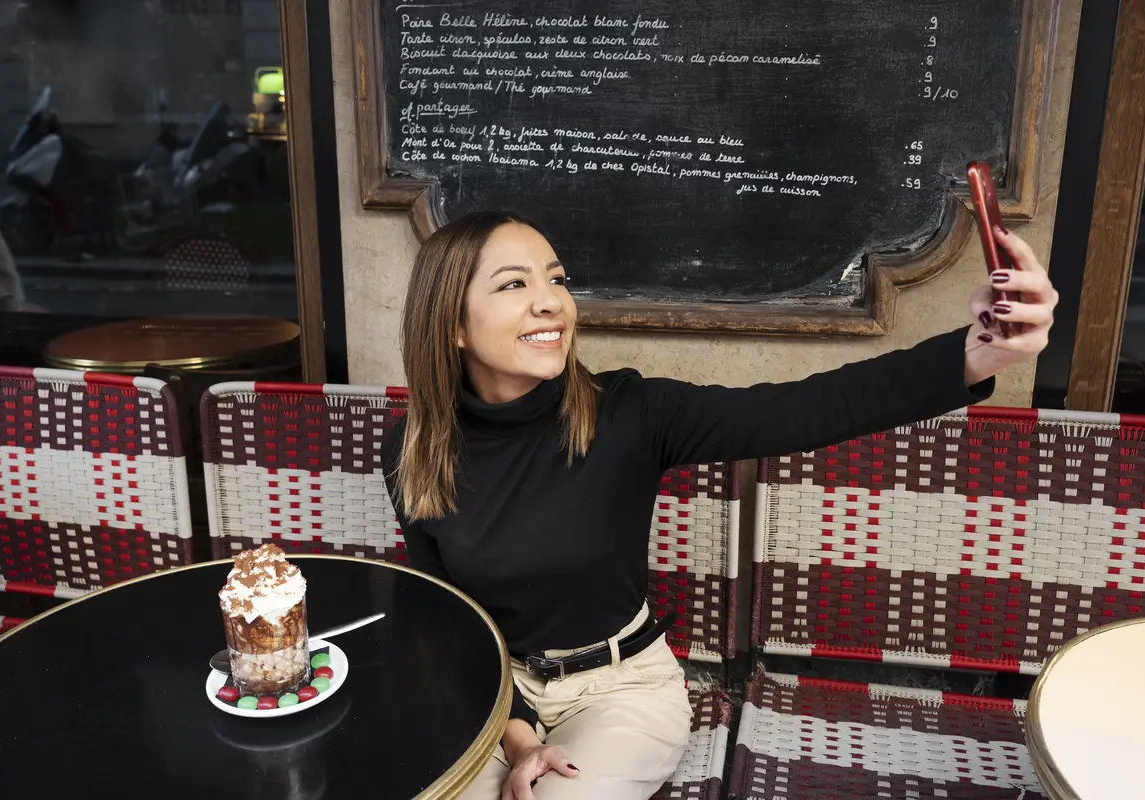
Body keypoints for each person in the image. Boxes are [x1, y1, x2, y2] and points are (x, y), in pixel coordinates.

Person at [381, 211, 1058, 800]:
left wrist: (975, 354)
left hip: (623, 692)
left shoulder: (630, 414)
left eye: (556, 279)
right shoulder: (414, 447)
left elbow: (802, 410)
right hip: (497, 694)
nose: (551, 301)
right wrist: (521, 740)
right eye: (514, 284)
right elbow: (448, 616)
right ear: (454, 325)